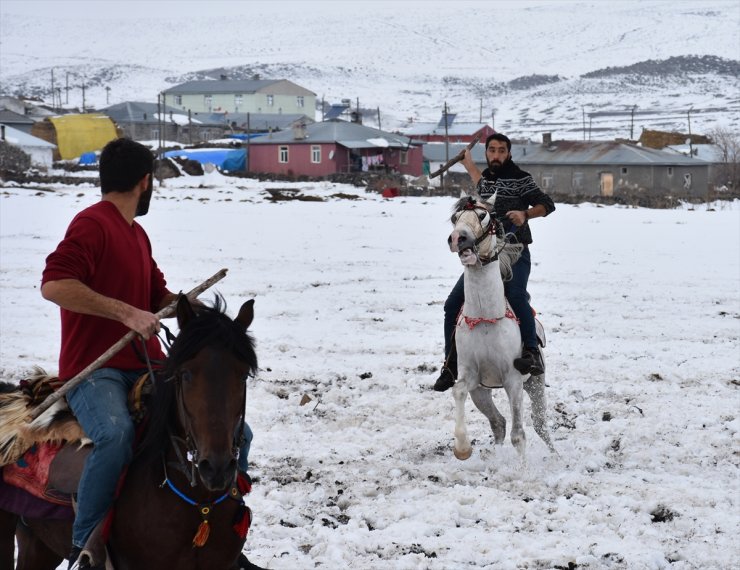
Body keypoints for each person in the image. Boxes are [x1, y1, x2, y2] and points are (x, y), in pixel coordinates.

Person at [41, 138, 258, 569]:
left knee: (239, 433)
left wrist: (189, 309)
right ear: (145, 182)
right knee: (117, 435)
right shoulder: (91, 225)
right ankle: (86, 547)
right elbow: (55, 285)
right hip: (94, 372)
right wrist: (125, 313)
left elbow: (155, 293)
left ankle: (221, 529)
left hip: (144, 366)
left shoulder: (136, 235)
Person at [433, 133, 555, 392]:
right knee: (453, 304)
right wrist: (468, 165)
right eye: (492, 150)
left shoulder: (522, 179)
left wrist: (526, 213)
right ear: (487, 153)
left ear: (508, 153)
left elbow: (548, 204)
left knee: (516, 294)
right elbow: (485, 185)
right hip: (485, 256)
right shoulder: (487, 180)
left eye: (501, 150)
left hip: (515, 251)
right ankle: (450, 364)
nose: (496, 155)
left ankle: (531, 352)